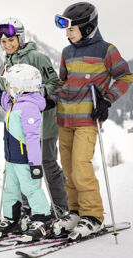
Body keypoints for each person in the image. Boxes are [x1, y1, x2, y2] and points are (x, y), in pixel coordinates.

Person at [51, 2, 132, 239]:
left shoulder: (107, 50)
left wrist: (107, 101)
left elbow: (125, 76)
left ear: (86, 28)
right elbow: (63, 83)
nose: (67, 35)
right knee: (67, 168)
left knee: (81, 167)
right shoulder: (67, 52)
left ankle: (93, 216)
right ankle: (75, 211)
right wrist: (50, 98)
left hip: (87, 119)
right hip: (64, 118)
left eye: (71, 30)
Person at [0, 18, 69, 217]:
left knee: (47, 163)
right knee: (21, 168)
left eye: (11, 39)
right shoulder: (5, 65)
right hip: (18, 128)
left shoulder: (37, 57)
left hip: (43, 123)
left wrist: (42, 95)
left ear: (20, 37)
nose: (8, 44)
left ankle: (60, 206)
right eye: (3, 42)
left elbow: (55, 83)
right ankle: (28, 208)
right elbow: (6, 92)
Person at [0, 63, 52, 241]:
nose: (8, 87)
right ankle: (12, 220)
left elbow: (34, 138)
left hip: (25, 160)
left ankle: (42, 220)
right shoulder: (14, 102)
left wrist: (35, 165)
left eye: (11, 84)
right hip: (11, 159)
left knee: (31, 189)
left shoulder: (28, 106)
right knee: (10, 190)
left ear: (21, 86)